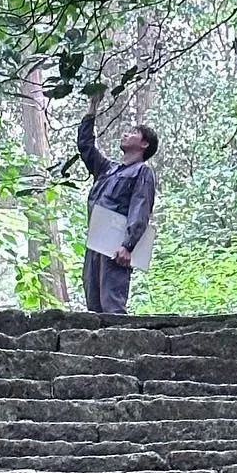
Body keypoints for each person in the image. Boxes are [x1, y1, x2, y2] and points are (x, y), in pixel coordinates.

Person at [77, 90, 158, 315]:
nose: (125, 134)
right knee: (93, 301)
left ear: (144, 144)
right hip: (96, 241)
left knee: (111, 301)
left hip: (116, 245)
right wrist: (91, 109)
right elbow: (86, 147)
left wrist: (128, 245)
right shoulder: (108, 170)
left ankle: (119, 344)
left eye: (132, 133)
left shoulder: (142, 172)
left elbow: (140, 208)